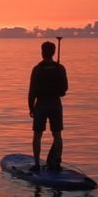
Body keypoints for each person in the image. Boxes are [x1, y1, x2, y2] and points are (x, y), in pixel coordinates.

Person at [28, 41, 68, 172]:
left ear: (42, 52)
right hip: (55, 103)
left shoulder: (37, 69)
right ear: (53, 52)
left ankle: (36, 164)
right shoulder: (60, 68)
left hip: (41, 103)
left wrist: (31, 107)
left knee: (37, 135)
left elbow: (32, 90)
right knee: (57, 135)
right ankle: (56, 162)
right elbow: (64, 89)